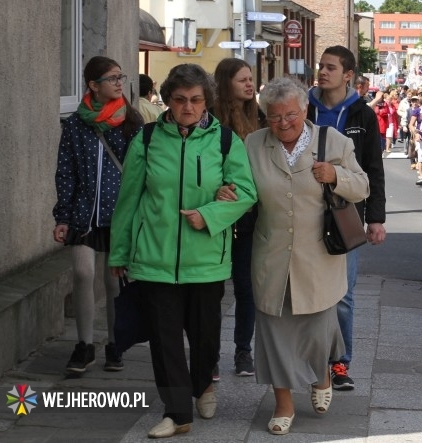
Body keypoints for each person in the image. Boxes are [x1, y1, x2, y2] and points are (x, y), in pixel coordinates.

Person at [110, 63, 257, 439]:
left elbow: (245, 192)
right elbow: (128, 201)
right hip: (154, 258)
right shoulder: (145, 140)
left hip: (206, 260)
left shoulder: (225, 141)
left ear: (206, 100)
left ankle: (204, 382)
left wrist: (209, 214)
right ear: (167, 100)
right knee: (165, 342)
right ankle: (177, 413)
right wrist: (119, 254)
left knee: (205, 338)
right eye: (179, 100)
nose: (187, 107)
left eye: (195, 100)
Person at [240, 78, 369, 435]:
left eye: (291, 115)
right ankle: (283, 403)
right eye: (274, 117)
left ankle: (322, 375)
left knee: (317, 330)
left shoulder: (333, 141)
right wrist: (226, 192)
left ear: (306, 110)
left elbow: (363, 186)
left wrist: (336, 175)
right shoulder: (253, 145)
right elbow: (242, 187)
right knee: (272, 333)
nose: (283, 123)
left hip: (320, 255)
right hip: (271, 255)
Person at [54, 56, 143, 374]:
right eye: (112, 78)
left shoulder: (132, 121)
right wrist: (62, 215)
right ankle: (84, 345)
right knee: (82, 273)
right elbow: (66, 171)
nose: (119, 83)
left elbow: (141, 171)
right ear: (93, 86)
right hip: (82, 214)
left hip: (118, 214)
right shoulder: (77, 123)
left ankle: (113, 344)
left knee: (113, 282)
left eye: (121, 77)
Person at [307, 45, 386, 392]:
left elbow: (374, 168)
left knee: (343, 294)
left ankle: (340, 362)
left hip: (345, 214)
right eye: (321, 66)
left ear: (348, 74)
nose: (323, 72)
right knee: (302, 290)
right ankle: (307, 359)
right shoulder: (303, 107)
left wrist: (376, 218)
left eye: (331, 67)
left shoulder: (362, 115)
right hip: (305, 210)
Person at [212, 59, 266, 378]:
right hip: (219, 214)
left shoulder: (258, 117)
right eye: (242, 80)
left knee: (246, 287)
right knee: (213, 289)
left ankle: (243, 351)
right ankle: (211, 355)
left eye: (250, 79)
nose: (249, 84)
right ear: (225, 83)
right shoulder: (212, 120)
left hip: (250, 215)